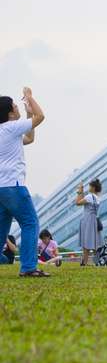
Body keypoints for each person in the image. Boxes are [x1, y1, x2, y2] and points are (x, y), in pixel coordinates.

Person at [0, 88, 48, 277]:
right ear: (10, 113)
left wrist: (28, 112)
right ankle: (28, 267)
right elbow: (41, 116)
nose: (17, 106)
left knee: (2, 229)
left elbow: (29, 138)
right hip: (14, 186)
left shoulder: (8, 131)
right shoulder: (11, 128)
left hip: (1, 188)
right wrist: (30, 98)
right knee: (30, 223)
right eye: (15, 105)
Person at [74, 178, 102, 266]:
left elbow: (78, 202)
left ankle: (84, 263)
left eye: (90, 186)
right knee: (93, 242)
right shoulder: (97, 197)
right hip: (93, 220)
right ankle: (98, 262)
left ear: (93, 187)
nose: (88, 187)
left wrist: (80, 190)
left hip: (87, 221)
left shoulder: (90, 196)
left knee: (86, 242)